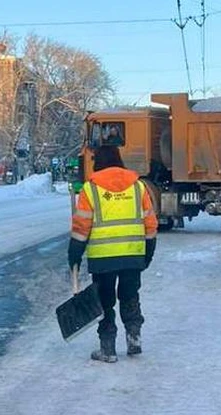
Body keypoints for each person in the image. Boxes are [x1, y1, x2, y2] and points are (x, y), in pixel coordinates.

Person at [68, 145, 158, 363]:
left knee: (105, 300)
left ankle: (107, 348)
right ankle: (134, 336)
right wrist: (148, 252)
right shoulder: (138, 187)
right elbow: (150, 223)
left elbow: (82, 227)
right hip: (132, 255)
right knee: (129, 295)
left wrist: (75, 254)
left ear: (98, 162)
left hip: (102, 257)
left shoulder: (90, 190)